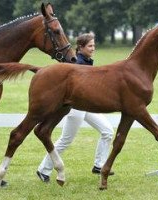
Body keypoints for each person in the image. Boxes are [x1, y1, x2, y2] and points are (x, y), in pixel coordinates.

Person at [36, 33, 114, 182]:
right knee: (66, 140)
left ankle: (99, 165)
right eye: (90, 46)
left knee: (107, 131)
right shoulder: (77, 63)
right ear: (80, 47)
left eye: (94, 45)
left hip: (87, 105)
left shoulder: (87, 61)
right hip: (75, 107)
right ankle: (43, 170)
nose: (93, 48)